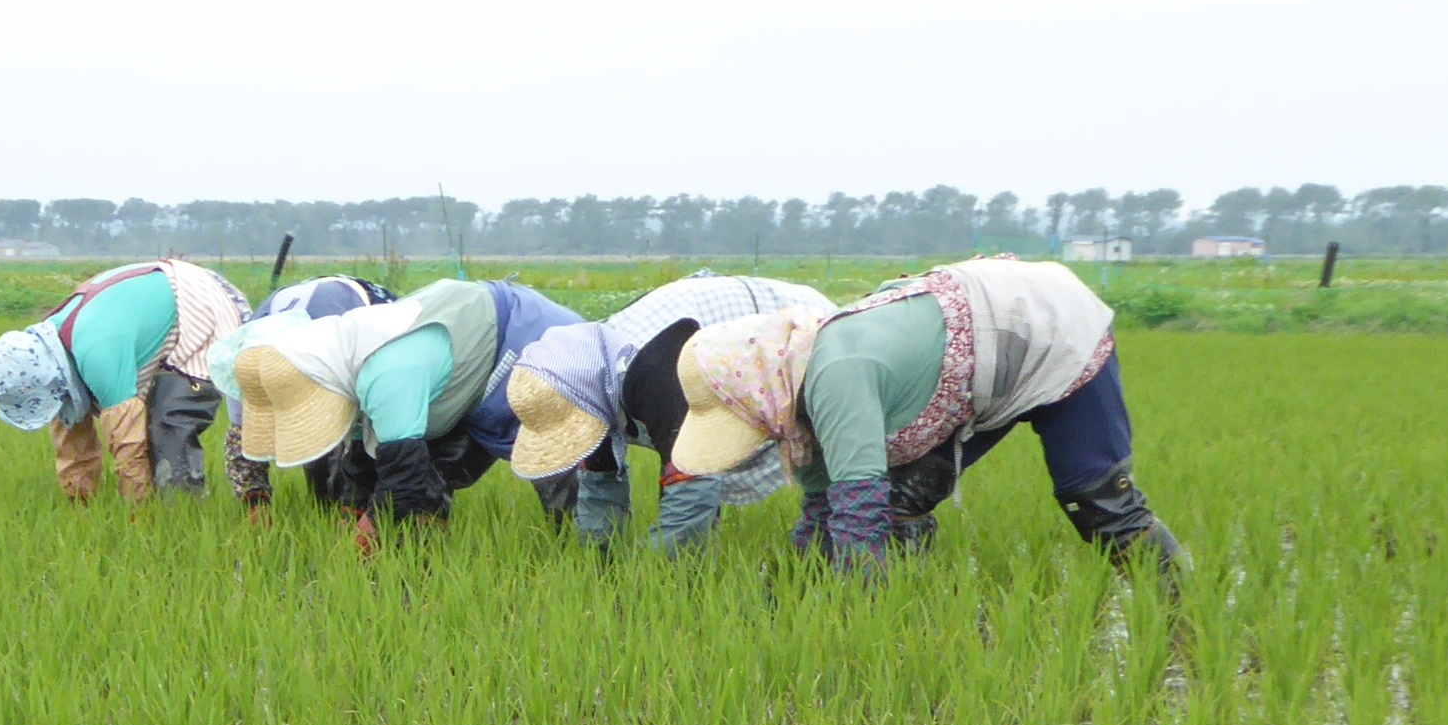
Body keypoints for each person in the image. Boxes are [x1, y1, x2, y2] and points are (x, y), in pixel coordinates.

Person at [664, 257, 1178, 569]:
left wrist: (854, 616)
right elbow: (821, 511)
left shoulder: (837, 375)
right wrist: (791, 586)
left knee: (1098, 503)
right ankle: (909, 612)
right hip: (976, 371)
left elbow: (859, 513)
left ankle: (1184, 617)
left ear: (753, 388)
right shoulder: (798, 408)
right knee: (902, 498)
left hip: (1049, 328)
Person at [226, 277, 584, 537]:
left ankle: (596, 563)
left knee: (558, 474)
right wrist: (353, 507)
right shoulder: (345, 355)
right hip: (462, 368)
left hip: (536, 345)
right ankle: (424, 564)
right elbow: (371, 453)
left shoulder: (388, 373)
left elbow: (404, 479)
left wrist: (367, 531)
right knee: (433, 473)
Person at [499, 271, 830, 551]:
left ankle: (838, 553)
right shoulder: (589, 382)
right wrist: (599, 559)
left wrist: (649, 569)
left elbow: (693, 483)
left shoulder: (657, 374)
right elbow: (600, 481)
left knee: (825, 474)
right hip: (703, 347)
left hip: (798, 341)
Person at [0, 258, 255, 502]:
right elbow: (69, 427)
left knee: (169, 423)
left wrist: (138, 510)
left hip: (200, 304)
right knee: (129, 418)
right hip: (147, 313)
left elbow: (128, 444)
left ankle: (181, 512)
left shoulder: (97, 354)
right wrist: (79, 499)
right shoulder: (52, 354)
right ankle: (158, 509)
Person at [213, 275, 393, 509]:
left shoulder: (345, 337)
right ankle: (325, 504)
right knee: (314, 451)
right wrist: (254, 498)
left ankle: (361, 506)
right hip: (298, 316)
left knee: (360, 431)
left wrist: (359, 505)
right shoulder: (246, 364)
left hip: (358, 310)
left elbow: (369, 418)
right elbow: (241, 438)